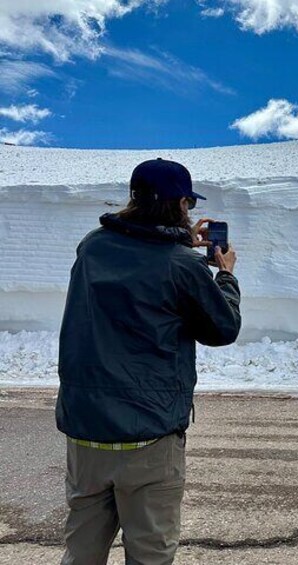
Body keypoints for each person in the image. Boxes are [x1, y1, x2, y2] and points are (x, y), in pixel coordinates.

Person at [55, 158, 241, 565]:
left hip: (85, 432)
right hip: (148, 436)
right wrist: (224, 274)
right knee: (150, 556)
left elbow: (135, 261)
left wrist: (175, 241)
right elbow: (222, 328)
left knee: (81, 553)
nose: (190, 210)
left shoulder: (92, 247)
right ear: (177, 204)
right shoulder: (183, 265)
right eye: (188, 203)